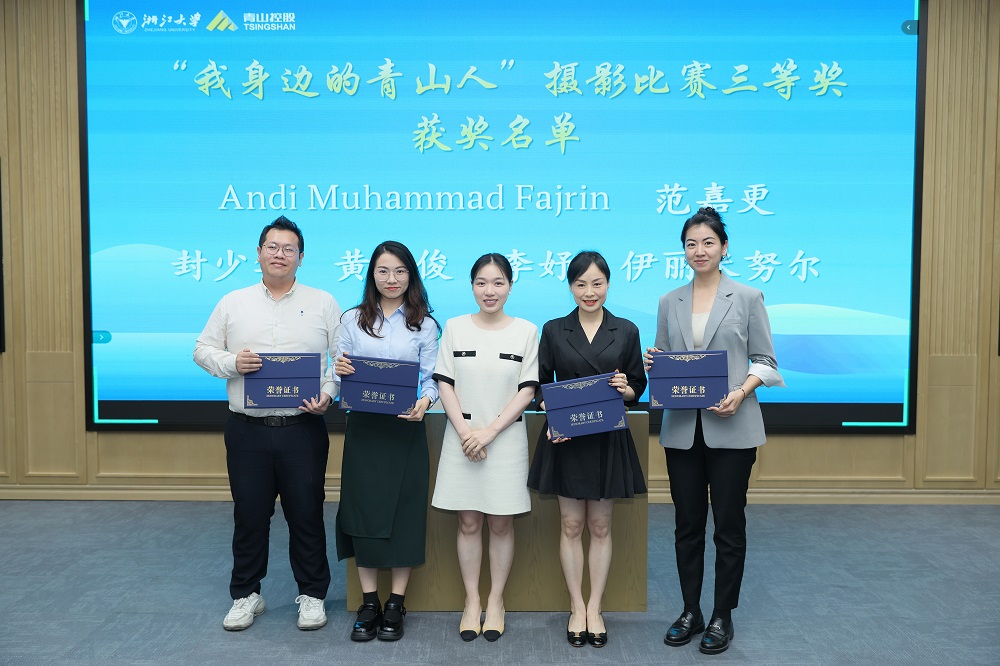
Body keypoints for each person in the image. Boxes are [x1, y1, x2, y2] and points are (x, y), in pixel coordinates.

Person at [646, 206, 784, 655]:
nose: (699, 250)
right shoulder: (669, 301)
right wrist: (654, 365)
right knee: (686, 525)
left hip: (733, 428)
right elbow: (666, 363)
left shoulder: (747, 297)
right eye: (691, 244)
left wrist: (741, 392)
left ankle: (723, 614)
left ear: (724, 247)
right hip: (683, 430)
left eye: (708, 242)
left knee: (728, 525)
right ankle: (691, 610)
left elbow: (766, 361)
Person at [194, 215, 341, 632]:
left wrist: (328, 393)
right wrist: (231, 363)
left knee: (307, 515)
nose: (280, 254)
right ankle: (246, 595)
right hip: (247, 430)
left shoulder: (323, 302)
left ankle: (312, 595)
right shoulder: (233, 302)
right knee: (250, 516)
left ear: (301, 257)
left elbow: (341, 359)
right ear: (258, 253)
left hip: (302, 429)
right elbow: (202, 349)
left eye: (288, 248)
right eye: (272, 247)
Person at [527, 250, 647, 649]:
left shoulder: (626, 330)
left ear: (608, 284)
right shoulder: (554, 329)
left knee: (600, 526)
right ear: (570, 287)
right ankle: (576, 606)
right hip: (568, 438)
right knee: (570, 525)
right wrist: (551, 412)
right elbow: (540, 385)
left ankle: (595, 608)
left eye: (597, 283)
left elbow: (637, 387)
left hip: (607, 437)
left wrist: (625, 388)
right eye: (581, 284)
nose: (589, 292)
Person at [333, 240, 439, 642]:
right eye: (383, 271)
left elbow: (431, 377)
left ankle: (395, 602)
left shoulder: (425, 324)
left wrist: (426, 401)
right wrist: (340, 368)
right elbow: (338, 368)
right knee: (363, 513)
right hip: (365, 428)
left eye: (399, 271)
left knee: (404, 515)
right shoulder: (352, 319)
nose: (391, 279)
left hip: (405, 427)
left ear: (411, 275)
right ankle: (369, 602)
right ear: (371, 275)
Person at [430, 253, 540, 643]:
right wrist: (466, 434)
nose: (489, 291)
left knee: (501, 523)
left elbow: (527, 389)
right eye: (481, 282)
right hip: (461, 439)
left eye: (497, 283)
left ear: (510, 286)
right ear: (471, 286)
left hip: (504, 440)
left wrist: (489, 433)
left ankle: (495, 602)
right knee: (468, 522)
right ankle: (471, 601)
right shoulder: (455, 328)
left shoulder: (526, 331)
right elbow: (444, 383)